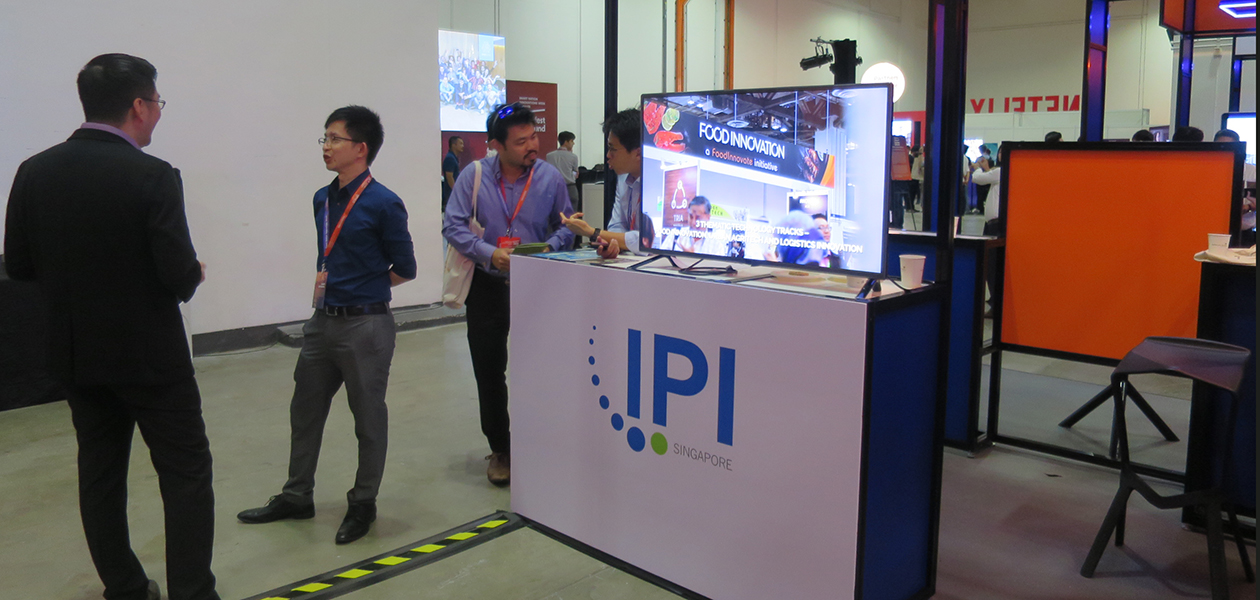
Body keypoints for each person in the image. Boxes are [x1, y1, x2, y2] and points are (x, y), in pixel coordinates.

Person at [3, 53, 219, 600]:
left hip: (77, 355)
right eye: (159, 103)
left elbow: (20, 266)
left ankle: (125, 587)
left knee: (99, 474)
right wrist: (192, 272)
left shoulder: (34, 171)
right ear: (139, 106)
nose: (158, 113)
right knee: (185, 472)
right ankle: (192, 592)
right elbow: (177, 273)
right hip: (152, 359)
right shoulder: (153, 175)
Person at [237, 106, 416, 545]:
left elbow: (406, 268)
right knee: (305, 410)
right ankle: (297, 496)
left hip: (366, 325)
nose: (326, 146)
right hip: (322, 322)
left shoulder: (384, 202)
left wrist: (365, 288)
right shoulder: (322, 198)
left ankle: (363, 503)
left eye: (335, 139)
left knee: (368, 418)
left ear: (361, 148)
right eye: (325, 138)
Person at [442, 103, 574, 485]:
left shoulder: (549, 178)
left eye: (533, 136)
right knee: (489, 371)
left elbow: (567, 225)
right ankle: (501, 448)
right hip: (487, 286)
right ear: (496, 145)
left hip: (537, 286)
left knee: (539, 369)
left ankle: (541, 444)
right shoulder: (474, 175)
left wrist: (549, 247)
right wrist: (489, 253)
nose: (532, 146)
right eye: (521, 141)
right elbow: (453, 226)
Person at [559, 108, 650, 259]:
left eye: (613, 149)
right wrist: (612, 245)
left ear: (638, 153)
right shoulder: (623, 178)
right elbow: (617, 225)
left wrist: (592, 232)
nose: (608, 155)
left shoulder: (662, 183)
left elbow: (649, 241)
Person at [546, 131, 581, 209]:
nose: (573, 143)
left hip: (555, 188)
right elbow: (576, 174)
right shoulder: (573, 156)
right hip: (570, 188)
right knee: (572, 212)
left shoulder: (549, 156)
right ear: (566, 142)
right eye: (572, 141)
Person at [442, 136, 464, 212]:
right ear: (454, 145)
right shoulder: (450, 158)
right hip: (450, 194)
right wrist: (456, 191)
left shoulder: (453, 157)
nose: (462, 146)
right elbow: (449, 176)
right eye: (460, 143)